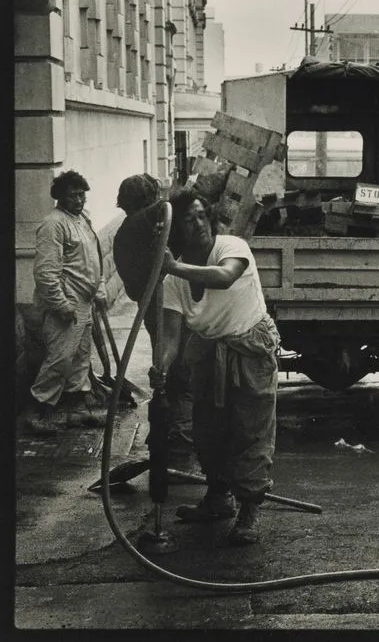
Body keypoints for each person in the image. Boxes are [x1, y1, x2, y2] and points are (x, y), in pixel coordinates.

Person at [149, 190, 281, 546]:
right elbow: (171, 336)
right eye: (188, 219)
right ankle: (219, 498)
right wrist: (161, 366)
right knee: (208, 431)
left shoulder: (232, 247)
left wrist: (173, 266)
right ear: (175, 231)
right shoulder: (173, 281)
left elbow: (224, 277)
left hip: (250, 347)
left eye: (201, 215)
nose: (198, 223)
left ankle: (249, 511)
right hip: (208, 353)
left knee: (250, 431)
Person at [113, 173, 196, 469]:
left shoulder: (125, 233)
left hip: (154, 307)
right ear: (148, 199)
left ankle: (164, 435)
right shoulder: (144, 222)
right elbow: (167, 207)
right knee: (179, 373)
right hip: (164, 306)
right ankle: (177, 445)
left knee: (167, 370)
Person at [26, 170, 108, 435]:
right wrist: (61, 305)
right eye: (73, 196)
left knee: (81, 357)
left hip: (85, 300)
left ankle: (76, 408)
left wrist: (99, 289)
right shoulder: (53, 224)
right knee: (60, 359)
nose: (79, 200)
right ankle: (38, 411)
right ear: (59, 197)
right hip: (67, 300)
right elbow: (45, 272)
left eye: (82, 195)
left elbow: (95, 256)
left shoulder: (82, 218)